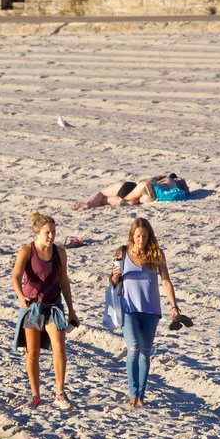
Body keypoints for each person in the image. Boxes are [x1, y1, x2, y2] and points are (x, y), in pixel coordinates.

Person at [11, 211, 79, 410]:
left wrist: (71, 310)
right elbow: (15, 276)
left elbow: (63, 281)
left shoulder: (60, 253)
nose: (51, 236)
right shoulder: (26, 251)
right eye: (47, 233)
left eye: (54, 232)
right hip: (32, 308)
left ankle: (59, 393)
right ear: (36, 232)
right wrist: (21, 296)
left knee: (59, 347)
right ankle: (36, 396)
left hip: (54, 306)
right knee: (32, 353)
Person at [109, 218, 180, 409]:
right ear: (132, 235)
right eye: (138, 236)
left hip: (150, 310)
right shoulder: (121, 253)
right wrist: (114, 277)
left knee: (145, 353)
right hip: (128, 308)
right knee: (133, 348)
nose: (141, 240)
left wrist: (174, 306)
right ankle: (132, 393)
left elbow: (166, 281)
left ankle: (141, 395)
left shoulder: (157, 254)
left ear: (150, 237)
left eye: (145, 236)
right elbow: (113, 282)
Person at [72, 174, 188, 210]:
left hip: (138, 187)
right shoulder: (175, 187)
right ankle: (126, 202)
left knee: (102, 194)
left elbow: (147, 181)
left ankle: (88, 204)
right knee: (104, 201)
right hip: (144, 196)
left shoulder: (167, 179)